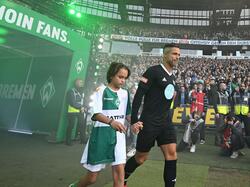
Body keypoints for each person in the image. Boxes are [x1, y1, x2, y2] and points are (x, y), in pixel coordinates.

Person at [124, 43, 180, 187]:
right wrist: (134, 120)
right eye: (174, 54)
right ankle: (122, 177)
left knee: (172, 154)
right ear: (165, 55)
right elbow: (138, 96)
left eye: (178, 55)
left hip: (165, 121)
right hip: (149, 121)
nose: (177, 57)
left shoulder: (173, 77)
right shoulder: (153, 71)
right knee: (141, 158)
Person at [77, 62, 131, 187]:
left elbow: (128, 114)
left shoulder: (125, 93)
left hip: (118, 136)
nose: (123, 80)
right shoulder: (101, 91)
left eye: (125, 78)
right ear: (111, 75)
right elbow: (96, 114)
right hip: (101, 135)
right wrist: (111, 122)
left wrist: (135, 122)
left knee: (119, 173)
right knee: (91, 178)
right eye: (120, 77)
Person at [66, 78, 86, 145]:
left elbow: (82, 101)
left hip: (80, 110)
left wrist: (84, 107)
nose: (81, 84)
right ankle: (68, 141)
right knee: (71, 125)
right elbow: (72, 103)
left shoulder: (82, 91)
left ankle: (83, 140)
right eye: (80, 82)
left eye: (82, 82)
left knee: (82, 125)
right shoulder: (71, 91)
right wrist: (81, 107)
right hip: (72, 111)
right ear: (76, 83)